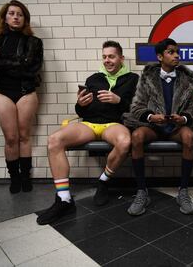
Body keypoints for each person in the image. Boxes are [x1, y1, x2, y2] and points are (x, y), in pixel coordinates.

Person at [36, 41, 139, 225]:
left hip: (113, 124)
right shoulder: (94, 79)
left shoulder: (132, 79)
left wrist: (119, 101)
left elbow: (138, 109)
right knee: (54, 140)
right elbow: (81, 111)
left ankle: (104, 181)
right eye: (105, 56)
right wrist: (80, 104)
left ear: (121, 58)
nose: (107, 60)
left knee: (124, 142)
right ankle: (64, 199)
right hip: (89, 123)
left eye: (112, 56)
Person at [124, 38, 193, 216]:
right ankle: (141, 192)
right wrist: (152, 117)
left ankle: (183, 191)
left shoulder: (188, 81)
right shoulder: (147, 79)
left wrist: (183, 118)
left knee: (189, 137)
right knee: (136, 137)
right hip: (153, 127)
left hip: (175, 128)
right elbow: (137, 107)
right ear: (160, 56)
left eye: (177, 51)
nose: (176, 55)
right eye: (171, 52)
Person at [0, 0, 43, 193]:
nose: (16, 17)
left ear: (25, 18)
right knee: (10, 138)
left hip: (26, 91)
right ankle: (14, 178)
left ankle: (26, 177)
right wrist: (20, 62)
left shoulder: (35, 42)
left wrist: (4, 62)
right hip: (2, 92)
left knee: (24, 136)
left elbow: (33, 68)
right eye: (12, 13)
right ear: (5, 17)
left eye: (20, 14)